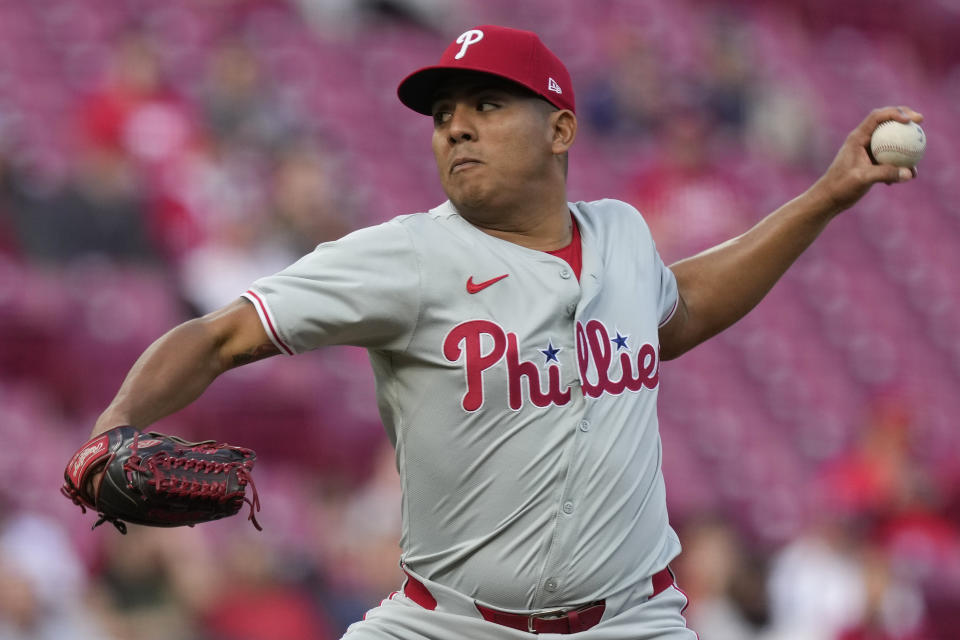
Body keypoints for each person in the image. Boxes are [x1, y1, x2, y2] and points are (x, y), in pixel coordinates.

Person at [77, 25, 922, 639]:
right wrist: (115, 423)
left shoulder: (624, 234)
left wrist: (826, 195)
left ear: (560, 128)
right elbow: (223, 335)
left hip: (632, 621)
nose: (455, 126)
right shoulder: (406, 256)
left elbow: (682, 309)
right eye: (443, 114)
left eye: (486, 103)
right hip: (448, 626)